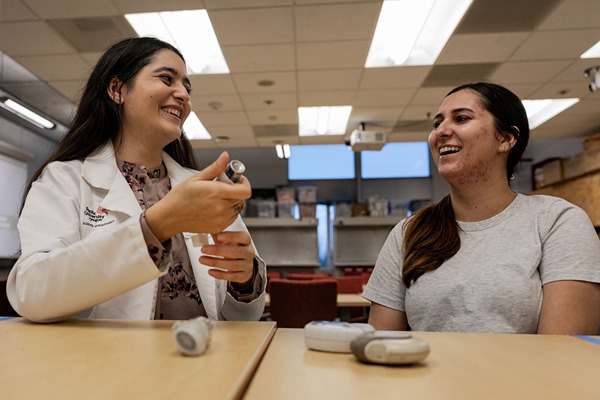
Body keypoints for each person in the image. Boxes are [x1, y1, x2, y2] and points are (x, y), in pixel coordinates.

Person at [7, 37, 266, 323]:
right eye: (166, 78)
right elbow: (32, 294)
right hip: (110, 352)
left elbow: (244, 320)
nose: (183, 94)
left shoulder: (200, 187)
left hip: (204, 349)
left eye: (187, 87)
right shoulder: (65, 179)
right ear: (117, 89)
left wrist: (244, 281)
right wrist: (157, 226)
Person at [363, 82, 600, 334]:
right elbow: (380, 344)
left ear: (506, 139)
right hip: (430, 363)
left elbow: (561, 349)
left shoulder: (557, 222)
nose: (440, 131)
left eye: (461, 118)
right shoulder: (409, 232)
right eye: (437, 123)